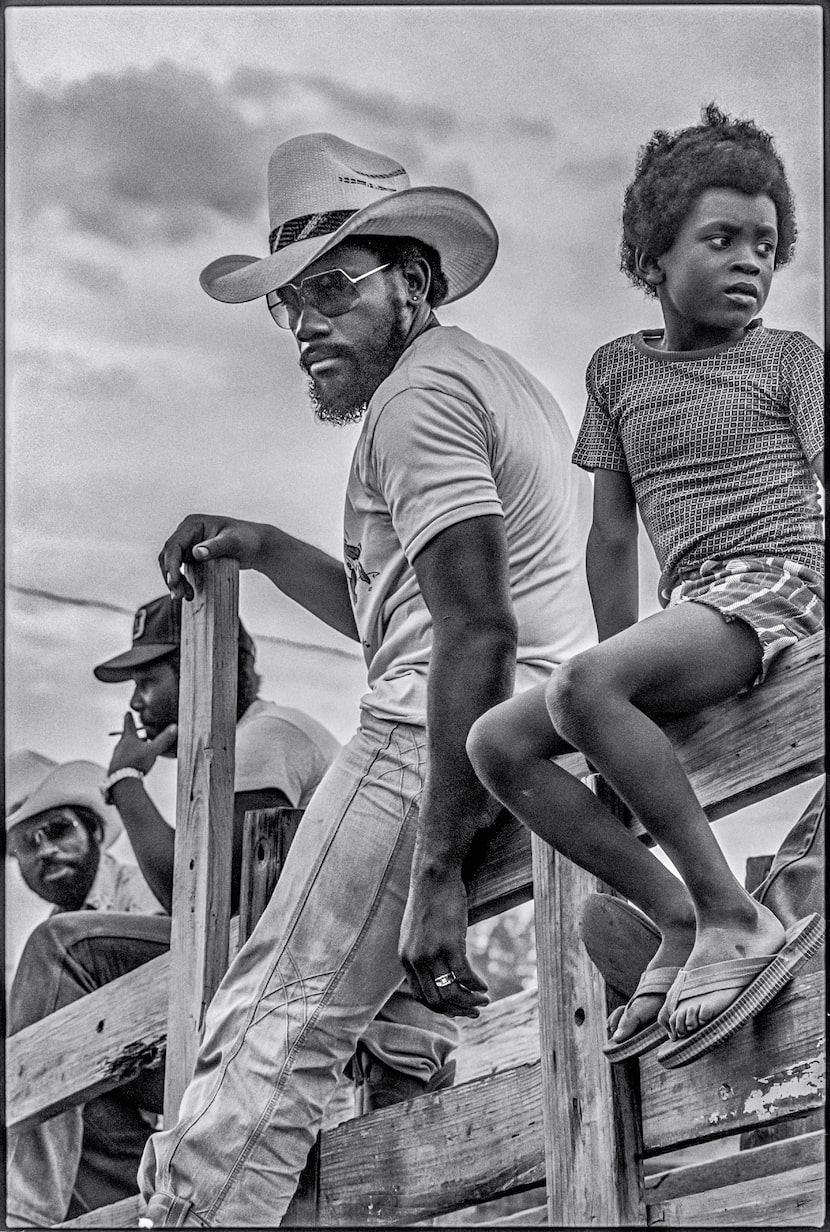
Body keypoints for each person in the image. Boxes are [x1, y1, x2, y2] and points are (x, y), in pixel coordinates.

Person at [137, 131, 593, 1225]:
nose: (304, 325)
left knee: (270, 1022)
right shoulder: (485, 378)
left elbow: (471, 633)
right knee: (337, 1033)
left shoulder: (415, 402)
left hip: (425, 739)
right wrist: (263, 544)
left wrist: (433, 866)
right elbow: (415, 609)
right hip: (526, 727)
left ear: (412, 279)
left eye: (331, 288)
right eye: (286, 303)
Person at [468, 104, 824, 1071]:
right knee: (498, 741)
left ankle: (731, 913)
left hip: (785, 584)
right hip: (694, 608)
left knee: (585, 688)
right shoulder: (617, 371)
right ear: (653, 256)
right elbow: (612, 532)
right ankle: (677, 916)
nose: (752, 261)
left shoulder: (789, 361)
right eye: (722, 239)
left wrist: (600, 688)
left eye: (768, 244)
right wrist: (606, 690)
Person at [5, 597, 342, 1227]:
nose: (137, 702)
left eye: (149, 679)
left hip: (296, 994)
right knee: (81, 1060)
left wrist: (124, 782)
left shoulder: (269, 736)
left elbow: (198, 903)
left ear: (206, 669)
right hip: (256, 996)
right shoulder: (231, 755)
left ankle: (21, 1215)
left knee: (62, 949)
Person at [5, 751, 164, 1226]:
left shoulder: (143, 895)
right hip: (122, 1115)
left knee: (57, 1068)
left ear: (94, 831)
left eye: (57, 831)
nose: (45, 852)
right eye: (26, 847)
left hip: (182, 1077)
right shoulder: (49, 945)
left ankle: (24, 1214)